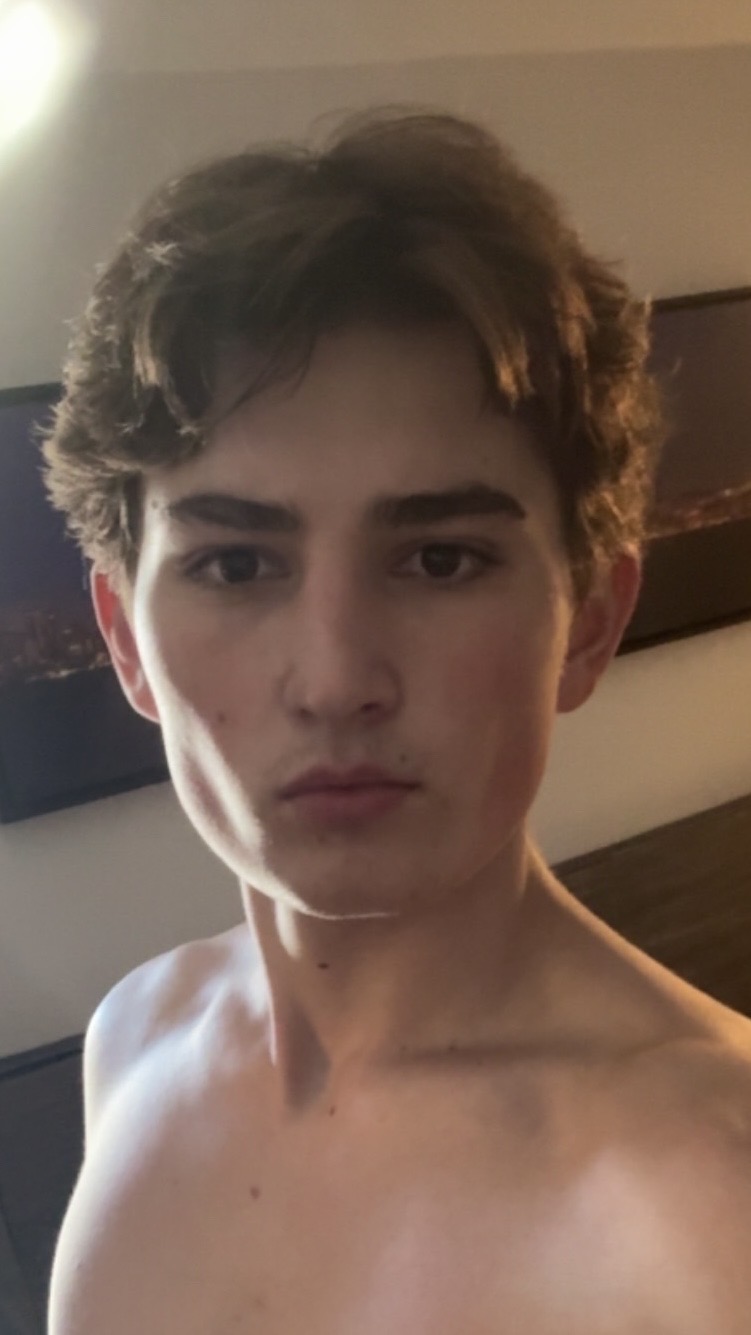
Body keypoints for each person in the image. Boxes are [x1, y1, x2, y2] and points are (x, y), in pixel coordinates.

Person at [44, 108, 750, 1334]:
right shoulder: (133, 1041)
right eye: (234, 566)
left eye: (438, 559)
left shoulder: (712, 1202)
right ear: (125, 641)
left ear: (587, 622)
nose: (335, 680)